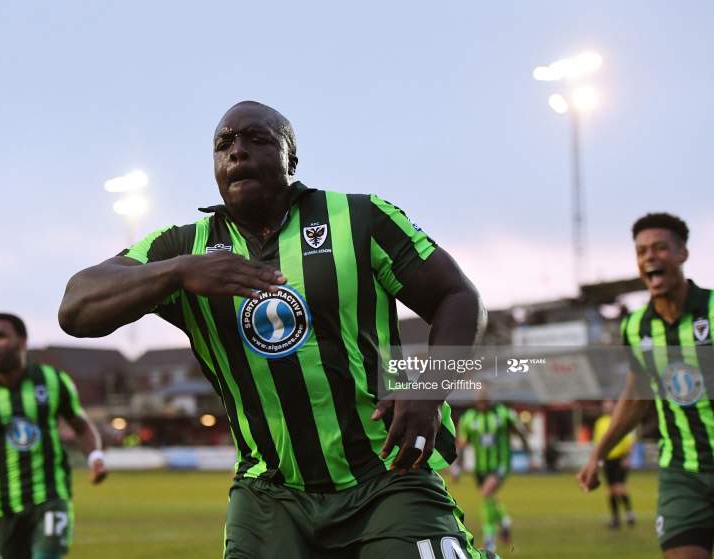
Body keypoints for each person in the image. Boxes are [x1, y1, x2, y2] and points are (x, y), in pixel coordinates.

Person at [59, 100, 493, 558]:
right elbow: (76, 306)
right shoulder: (185, 249)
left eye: (257, 139)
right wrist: (176, 273)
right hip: (268, 494)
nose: (237, 152)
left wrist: (430, 389)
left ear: (291, 157)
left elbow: (460, 298)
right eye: (223, 144)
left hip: (387, 477)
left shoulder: (361, 219)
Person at [578, 213, 714, 559]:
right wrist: (598, 454)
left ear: (682, 254)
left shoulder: (711, 311)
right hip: (682, 470)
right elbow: (637, 395)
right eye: (641, 252)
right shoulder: (636, 327)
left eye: (659, 248)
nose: (649, 257)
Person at [0, 313, 107, 559]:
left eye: (0, 336)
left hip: (51, 497)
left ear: (22, 342)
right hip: (5, 507)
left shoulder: (52, 380)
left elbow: (82, 426)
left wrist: (95, 456)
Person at [455, 394, 528, 553]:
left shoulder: (503, 413)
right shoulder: (469, 417)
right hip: (480, 467)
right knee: (489, 498)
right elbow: (462, 443)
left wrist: (527, 449)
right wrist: (456, 467)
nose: (483, 402)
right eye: (480, 400)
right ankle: (504, 521)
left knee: (486, 493)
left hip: (501, 463)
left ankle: (489, 541)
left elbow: (520, 430)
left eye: (485, 399)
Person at [592, 399, 636, 529]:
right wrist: (597, 459)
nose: (607, 407)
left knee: (619, 488)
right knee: (611, 490)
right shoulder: (600, 422)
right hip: (607, 459)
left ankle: (629, 514)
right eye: (605, 405)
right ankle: (616, 519)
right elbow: (598, 442)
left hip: (620, 458)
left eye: (610, 405)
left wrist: (627, 457)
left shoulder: (621, 420)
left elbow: (629, 441)